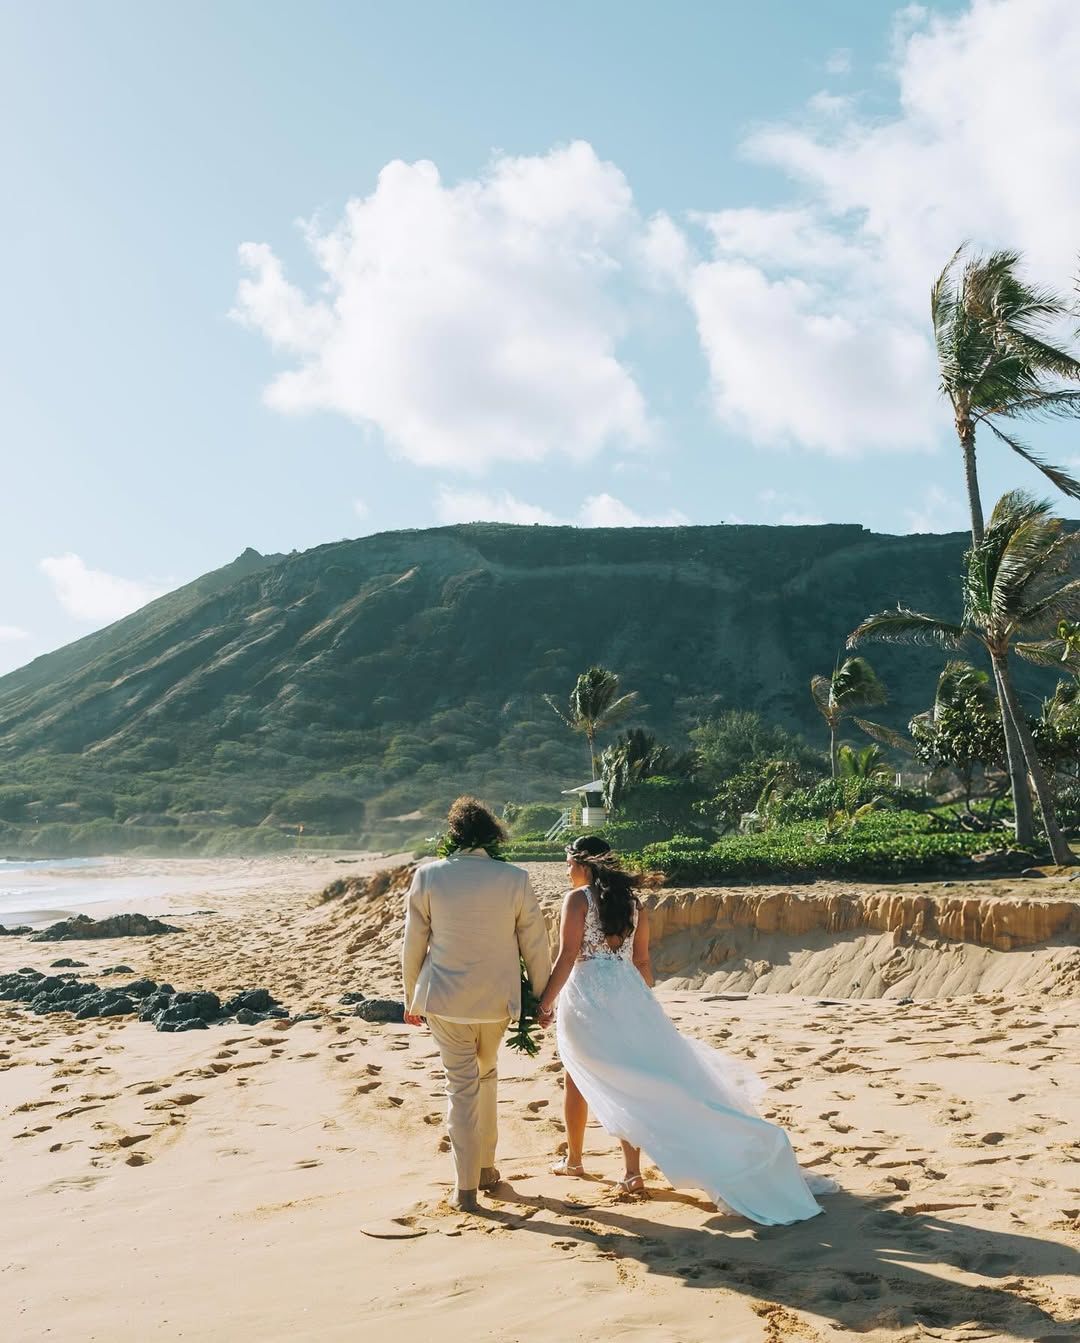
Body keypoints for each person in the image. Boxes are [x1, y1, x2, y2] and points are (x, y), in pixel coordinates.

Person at [537, 836, 830, 1225]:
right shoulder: (633, 904)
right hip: (630, 996)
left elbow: (568, 954)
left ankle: (574, 1161)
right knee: (633, 1078)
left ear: (583, 863)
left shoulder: (576, 901)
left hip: (588, 997)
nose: (566, 870)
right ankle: (631, 1172)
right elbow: (642, 962)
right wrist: (640, 1008)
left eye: (568, 862)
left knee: (579, 1074)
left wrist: (544, 1003)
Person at [402, 796, 552, 1212]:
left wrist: (410, 997)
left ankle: (465, 1187)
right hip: (497, 1002)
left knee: (461, 1089)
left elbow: (413, 944)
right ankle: (486, 1168)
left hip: (445, 1001)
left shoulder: (428, 876)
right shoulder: (515, 879)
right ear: (492, 836)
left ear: (453, 835)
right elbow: (535, 945)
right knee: (486, 1077)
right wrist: (542, 998)